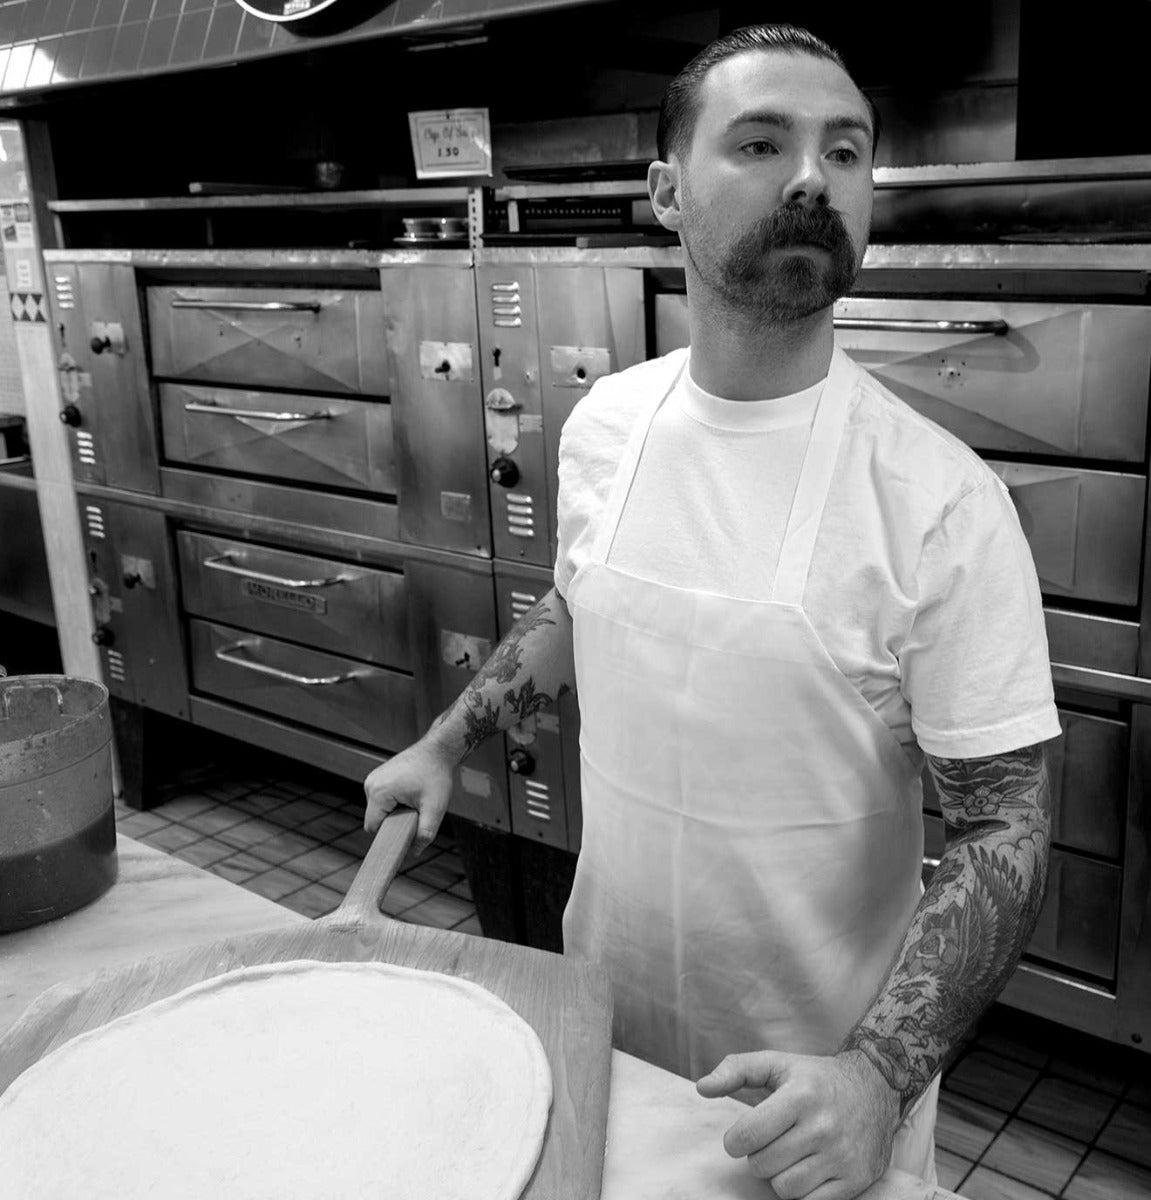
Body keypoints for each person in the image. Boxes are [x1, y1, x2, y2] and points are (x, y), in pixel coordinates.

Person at [364, 23, 1059, 1199]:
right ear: (664, 194)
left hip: (813, 1097)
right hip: (609, 1017)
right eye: (760, 142)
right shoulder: (607, 427)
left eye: (844, 153)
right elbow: (582, 604)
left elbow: (1007, 826)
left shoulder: (939, 501)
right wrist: (451, 738)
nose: (810, 177)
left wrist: (876, 1078)